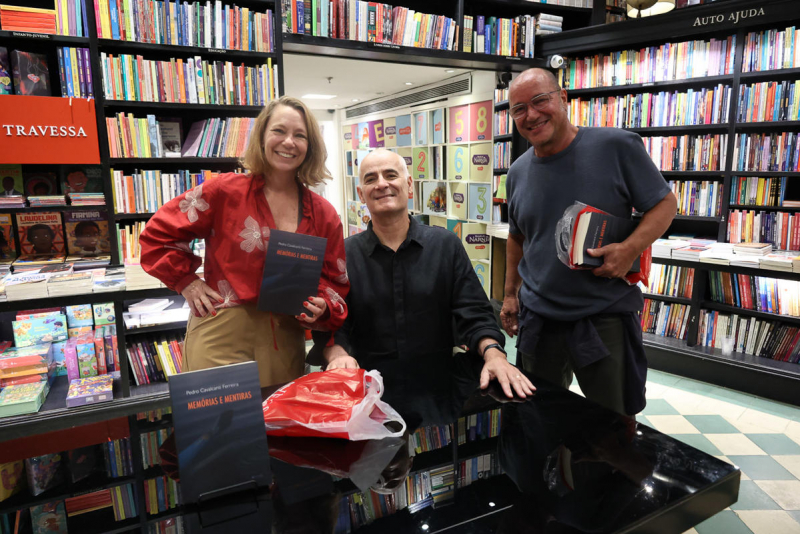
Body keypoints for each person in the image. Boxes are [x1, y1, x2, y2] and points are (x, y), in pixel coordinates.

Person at [499, 68, 677, 415]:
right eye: (519, 109)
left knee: (613, 424)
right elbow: (517, 237)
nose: (531, 115)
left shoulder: (616, 146)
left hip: (603, 316)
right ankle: (550, 471)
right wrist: (509, 295)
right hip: (539, 318)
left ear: (562, 98)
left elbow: (665, 204)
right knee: (538, 417)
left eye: (540, 100)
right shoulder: (517, 172)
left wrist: (628, 249)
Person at [139, 96, 349, 387]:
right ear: (262, 135)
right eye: (279, 131)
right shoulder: (223, 192)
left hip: (284, 340)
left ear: (310, 146)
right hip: (219, 336)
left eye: (300, 135)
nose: (289, 141)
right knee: (217, 429)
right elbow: (157, 235)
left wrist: (322, 305)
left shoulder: (324, 214)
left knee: (278, 427)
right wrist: (186, 281)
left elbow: (335, 281)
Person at [311, 149, 534, 400]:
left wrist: (495, 354)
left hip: (437, 391)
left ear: (408, 186)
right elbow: (334, 322)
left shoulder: (445, 246)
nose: (382, 183)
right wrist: (338, 355)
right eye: (371, 178)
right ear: (361, 194)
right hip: (367, 391)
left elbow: (474, 312)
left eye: (391, 175)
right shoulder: (344, 254)